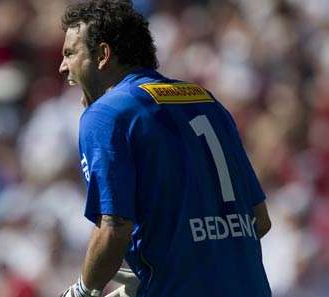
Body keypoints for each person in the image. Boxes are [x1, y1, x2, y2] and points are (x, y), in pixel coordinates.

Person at [57, 1, 273, 297]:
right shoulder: (206, 101)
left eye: (70, 53)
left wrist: (83, 290)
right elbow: (259, 220)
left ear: (103, 55)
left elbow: (114, 228)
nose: (63, 66)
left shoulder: (107, 114)